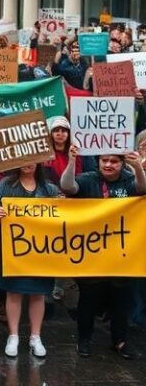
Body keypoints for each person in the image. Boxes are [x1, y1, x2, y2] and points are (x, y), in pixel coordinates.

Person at [60, 145, 146, 359]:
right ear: (98, 161)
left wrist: (137, 167)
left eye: (114, 161)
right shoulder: (89, 179)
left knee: (120, 299)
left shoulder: (128, 179)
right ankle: (84, 339)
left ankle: (120, 340)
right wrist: (72, 161)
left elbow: (143, 189)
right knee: (88, 298)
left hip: (122, 255)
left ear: (122, 163)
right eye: (104, 160)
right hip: (92, 254)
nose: (108, 165)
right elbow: (68, 187)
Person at [0, 164, 60, 358]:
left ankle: (35, 337)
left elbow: (60, 218)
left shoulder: (49, 188)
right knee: (13, 292)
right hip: (15, 251)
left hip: (41, 252)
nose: (29, 163)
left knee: (38, 294)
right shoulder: (5, 184)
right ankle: (13, 336)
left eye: (33, 159)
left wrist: (61, 204)